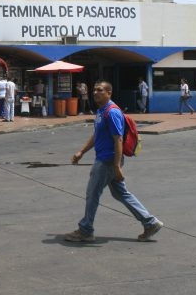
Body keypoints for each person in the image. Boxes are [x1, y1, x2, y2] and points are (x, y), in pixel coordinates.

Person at [63, 81, 163, 243]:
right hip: (106, 159)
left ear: (109, 93)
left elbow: (118, 140)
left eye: (100, 90)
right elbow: (97, 135)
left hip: (107, 161)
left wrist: (116, 166)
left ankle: (86, 230)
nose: (95, 92)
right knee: (120, 193)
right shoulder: (101, 111)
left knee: (92, 194)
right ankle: (150, 222)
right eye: (94, 90)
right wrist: (82, 152)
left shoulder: (112, 112)